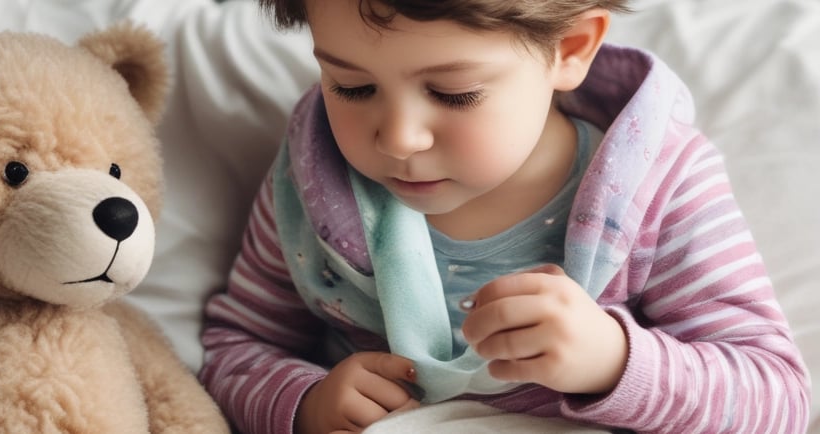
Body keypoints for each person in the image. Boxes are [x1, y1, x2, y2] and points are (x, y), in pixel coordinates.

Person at [198, 1, 811, 433]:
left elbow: (777, 397)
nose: (400, 138)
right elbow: (235, 347)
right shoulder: (313, 182)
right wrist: (304, 403)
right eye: (352, 87)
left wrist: (613, 362)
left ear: (570, 49)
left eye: (454, 93)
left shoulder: (656, 187)